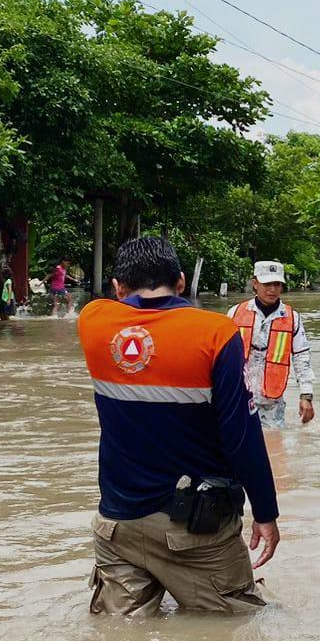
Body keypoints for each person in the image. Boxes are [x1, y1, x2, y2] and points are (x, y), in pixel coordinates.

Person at [76, 237, 279, 615]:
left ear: (119, 287)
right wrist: (266, 512)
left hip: (116, 525)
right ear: (182, 282)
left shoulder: (93, 323)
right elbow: (242, 437)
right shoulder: (217, 334)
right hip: (193, 530)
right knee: (241, 626)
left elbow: (119, 306)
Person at [226, 260, 315, 429]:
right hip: (239, 396)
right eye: (267, 284)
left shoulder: (292, 318)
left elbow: (302, 357)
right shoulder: (235, 313)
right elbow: (220, 355)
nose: (272, 290)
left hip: (272, 402)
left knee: (273, 447)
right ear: (255, 283)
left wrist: (306, 395)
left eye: (277, 284)